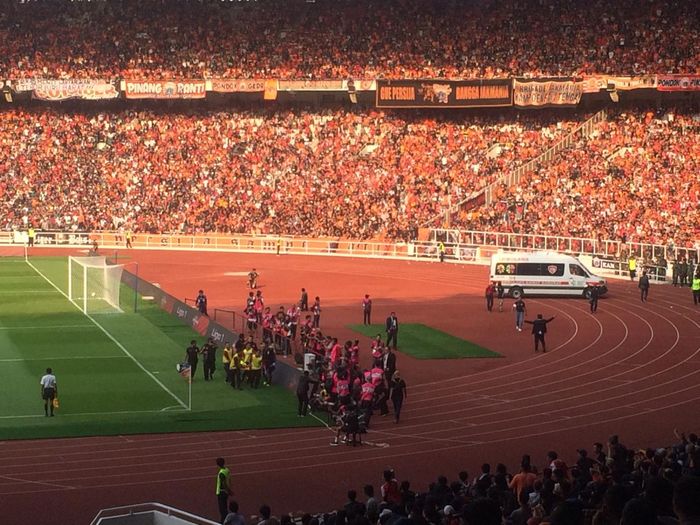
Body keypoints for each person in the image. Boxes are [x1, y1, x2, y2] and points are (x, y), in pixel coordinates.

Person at [215, 457, 231, 524]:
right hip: (225, 492)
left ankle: (223, 522)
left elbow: (223, 484)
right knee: (225, 508)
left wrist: (229, 490)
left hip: (221, 492)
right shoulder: (227, 470)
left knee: (222, 509)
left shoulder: (221, 473)